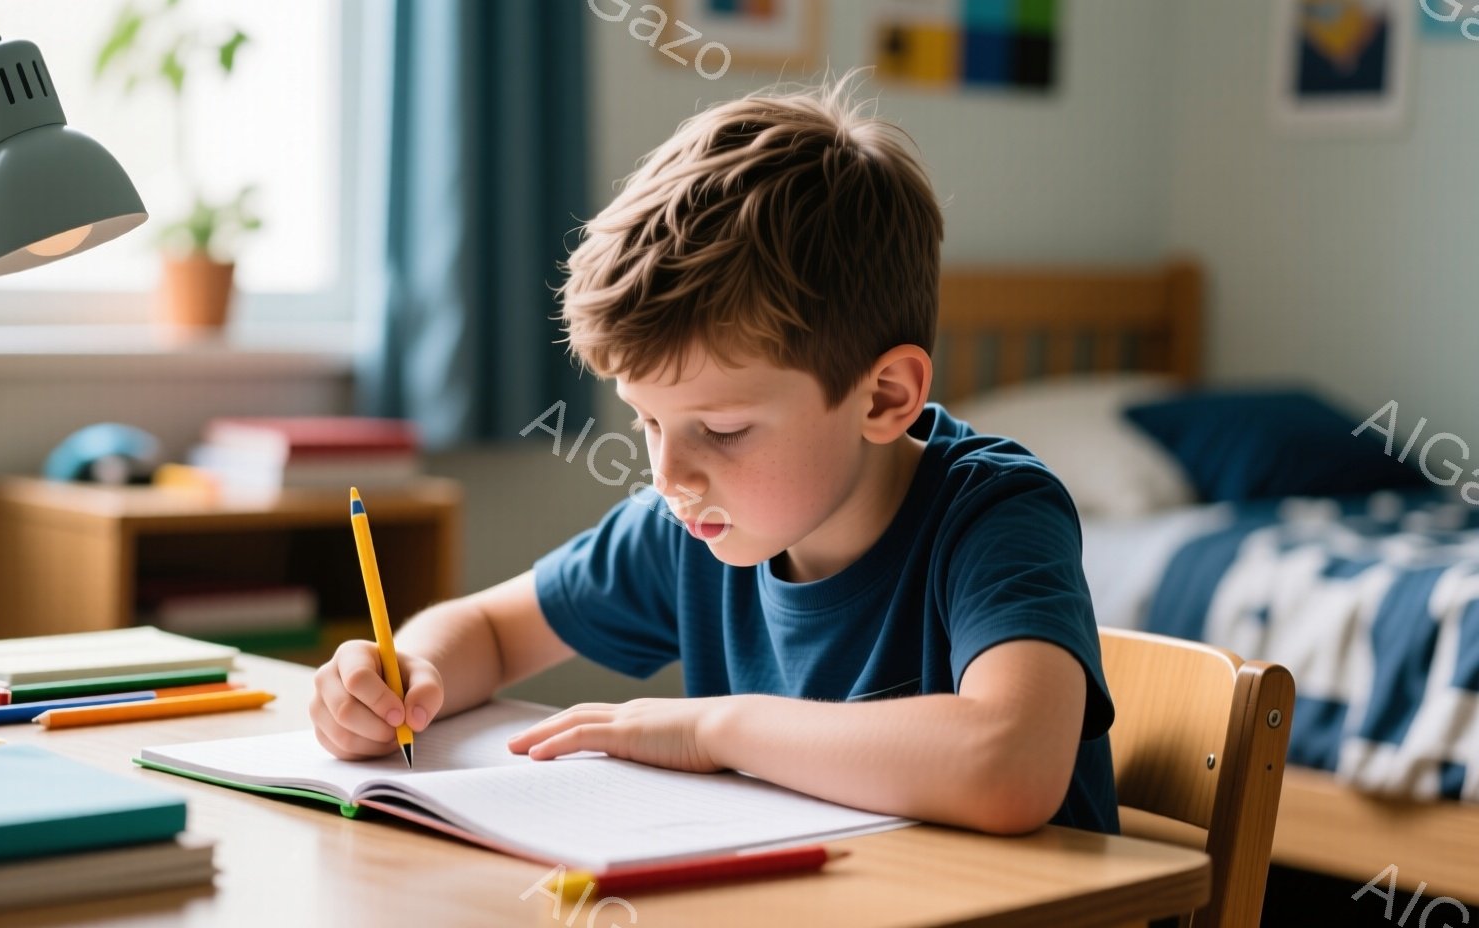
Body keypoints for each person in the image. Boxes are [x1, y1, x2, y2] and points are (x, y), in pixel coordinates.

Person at [312, 75, 1117, 835]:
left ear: (882, 398)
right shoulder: (692, 530)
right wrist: (403, 675)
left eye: (722, 430)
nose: (669, 477)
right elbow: (488, 629)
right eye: (649, 424)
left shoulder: (995, 517)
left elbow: (1010, 765)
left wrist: (714, 727)